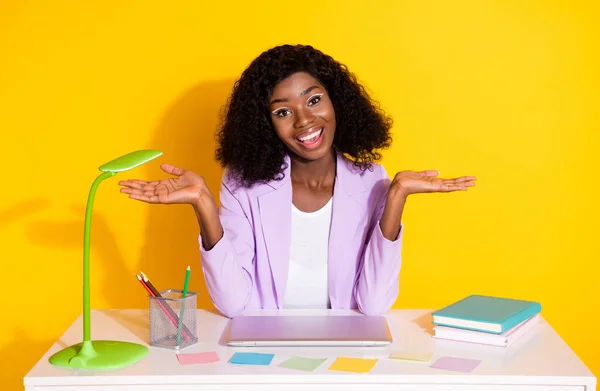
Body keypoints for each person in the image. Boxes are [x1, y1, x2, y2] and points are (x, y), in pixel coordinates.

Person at [119, 44, 476, 318]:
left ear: (337, 103)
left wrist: (396, 197)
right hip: (265, 351)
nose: (304, 121)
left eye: (314, 100)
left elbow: (374, 305)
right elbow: (234, 306)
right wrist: (203, 204)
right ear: (265, 124)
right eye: (283, 112)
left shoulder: (372, 183)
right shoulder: (242, 186)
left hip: (343, 352)